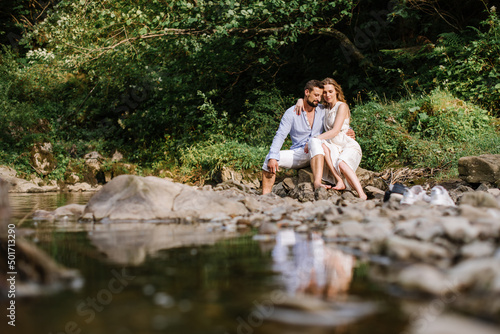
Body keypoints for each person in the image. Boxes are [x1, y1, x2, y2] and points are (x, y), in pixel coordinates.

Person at [296, 78, 367, 200]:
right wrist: (300, 100)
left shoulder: (342, 106)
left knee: (342, 164)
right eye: (325, 92)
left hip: (345, 143)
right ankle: (339, 180)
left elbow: (335, 131)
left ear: (336, 91)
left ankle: (362, 194)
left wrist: (313, 139)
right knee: (322, 145)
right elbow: (310, 101)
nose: (327, 95)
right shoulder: (325, 108)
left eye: (330, 91)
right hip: (333, 144)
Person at [261, 80, 327, 194]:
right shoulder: (291, 112)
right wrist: (272, 157)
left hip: (319, 152)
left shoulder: (323, 110)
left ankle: (318, 186)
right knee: (269, 159)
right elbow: (280, 135)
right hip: (300, 153)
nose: (319, 99)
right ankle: (265, 197)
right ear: (307, 92)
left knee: (315, 143)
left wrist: (349, 129)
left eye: (320, 96)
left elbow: (336, 121)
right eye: (316, 95)